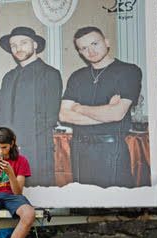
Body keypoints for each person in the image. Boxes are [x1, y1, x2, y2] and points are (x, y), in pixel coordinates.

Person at [59, 26, 142, 188]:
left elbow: (117, 114)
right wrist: (106, 113)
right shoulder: (77, 76)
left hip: (111, 149)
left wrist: (79, 108)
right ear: (80, 52)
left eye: (95, 44)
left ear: (107, 42)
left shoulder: (128, 71)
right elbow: (63, 115)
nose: (90, 51)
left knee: (117, 204)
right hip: (79, 150)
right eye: (84, 48)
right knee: (85, 203)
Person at [0, 27, 62, 187]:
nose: (18, 48)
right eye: (13, 45)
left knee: (38, 196)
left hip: (36, 148)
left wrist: (20, 141)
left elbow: (50, 116)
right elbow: (1, 113)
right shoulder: (9, 77)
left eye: (23, 43)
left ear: (35, 45)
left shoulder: (49, 74)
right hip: (7, 151)